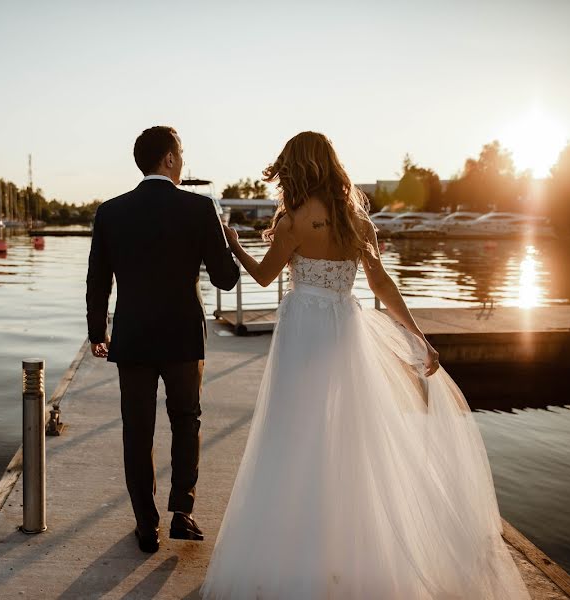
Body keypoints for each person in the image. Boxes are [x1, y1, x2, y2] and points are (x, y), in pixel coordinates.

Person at [201, 132, 529, 599]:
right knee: (347, 436)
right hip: (343, 328)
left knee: (293, 433)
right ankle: (351, 554)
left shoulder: (292, 220)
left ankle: (295, 555)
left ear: (297, 168)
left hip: (302, 331)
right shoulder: (357, 220)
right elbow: (382, 286)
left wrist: (234, 245)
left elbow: (262, 275)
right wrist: (417, 335)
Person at [86, 126, 240, 553]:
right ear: (169, 159)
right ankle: (182, 512)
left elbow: (98, 280)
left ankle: (145, 525)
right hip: (182, 336)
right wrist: (229, 243)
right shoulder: (199, 208)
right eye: (182, 154)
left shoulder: (111, 211)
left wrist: (97, 332)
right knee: (186, 419)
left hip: (132, 337)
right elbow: (226, 280)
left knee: (137, 430)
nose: (183, 161)